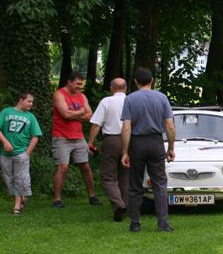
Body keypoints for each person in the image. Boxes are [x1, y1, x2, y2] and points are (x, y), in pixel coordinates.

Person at [121, 67, 176, 233]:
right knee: (160, 183)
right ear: (152, 80)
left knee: (135, 184)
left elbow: (126, 128)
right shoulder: (162, 98)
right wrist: (171, 147)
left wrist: (125, 151)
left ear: (136, 82)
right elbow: (169, 125)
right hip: (156, 142)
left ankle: (135, 223)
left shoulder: (129, 99)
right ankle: (163, 223)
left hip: (137, 143)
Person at [51, 70, 100, 208]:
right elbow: (65, 114)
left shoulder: (82, 96)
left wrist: (75, 114)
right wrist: (81, 112)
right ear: (69, 81)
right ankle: (57, 199)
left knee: (85, 166)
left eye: (81, 84)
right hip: (61, 136)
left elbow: (90, 115)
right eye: (77, 84)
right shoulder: (59, 94)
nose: (80, 87)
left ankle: (92, 196)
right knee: (63, 167)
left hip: (78, 137)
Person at [88, 78, 129, 222]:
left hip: (111, 140)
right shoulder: (132, 101)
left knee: (108, 176)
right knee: (125, 175)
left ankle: (118, 204)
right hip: (130, 140)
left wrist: (91, 143)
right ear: (125, 88)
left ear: (112, 88)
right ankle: (125, 205)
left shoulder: (106, 101)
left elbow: (96, 124)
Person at [0, 92, 42, 215]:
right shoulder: (6, 112)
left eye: (32, 102)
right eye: (29, 101)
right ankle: (22, 196)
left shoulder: (31, 117)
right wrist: (5, 142)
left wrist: (27, 153)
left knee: (20, 177)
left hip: (21, 152)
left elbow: (35, 137)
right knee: (8, 178)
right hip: (4, 153)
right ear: (20, 100)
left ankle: (17, 206)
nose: (31, 104)